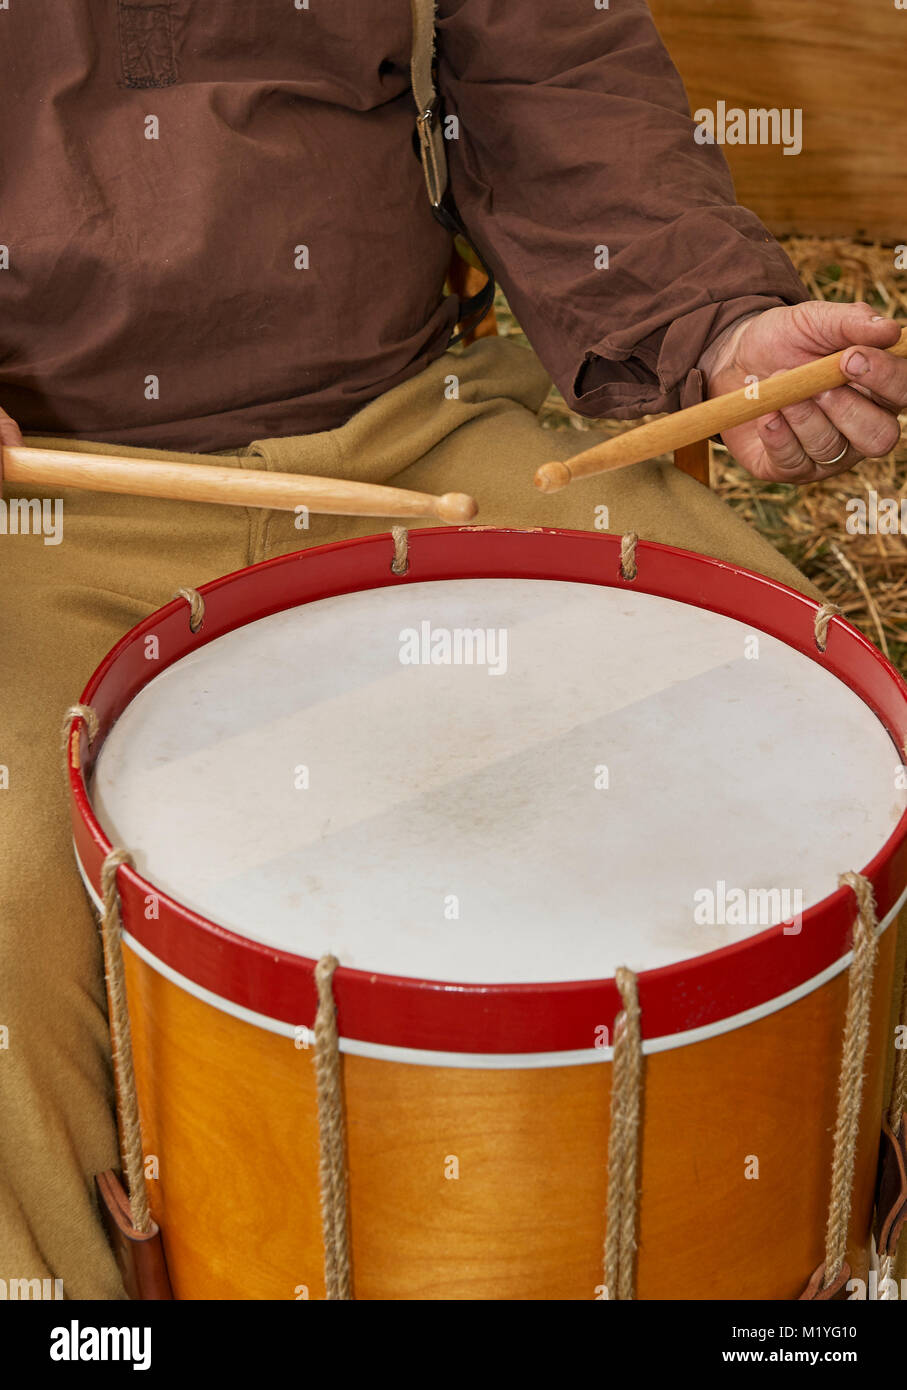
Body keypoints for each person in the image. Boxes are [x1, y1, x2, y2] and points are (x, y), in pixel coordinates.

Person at [1, 0, 905, 1300]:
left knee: (812, 725)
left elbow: (557, 62)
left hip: (415, 425)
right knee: (12, 885)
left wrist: (709, 322)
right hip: (46, 481)